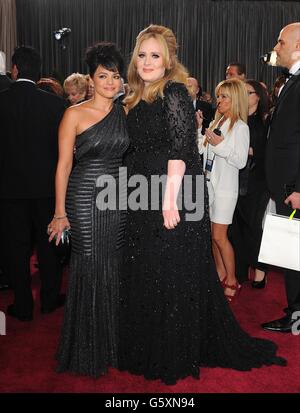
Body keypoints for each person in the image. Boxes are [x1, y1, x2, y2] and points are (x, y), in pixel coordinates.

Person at [119, 24, 285, 386]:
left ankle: (172, 348)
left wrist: (168, 201)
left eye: (155, 55)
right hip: (139, 192)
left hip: (170, 193)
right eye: (142, 54)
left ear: (168, 61)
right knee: (146, 268)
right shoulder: (133, 97)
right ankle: (147, 342)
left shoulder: (174, 93)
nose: (147, 61)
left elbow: (181, 150)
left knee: (170, 271)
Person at [48, 42, 129, 377]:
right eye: (102, 76)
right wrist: (58, 213)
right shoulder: (74, 113)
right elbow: (63, 166)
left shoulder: (125, 112)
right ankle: (87, 345)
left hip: (119, 199)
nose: (110, 82)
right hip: (83, 200)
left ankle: (112, 342)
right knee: (91, 265)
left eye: (114, 76)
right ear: (91, 80)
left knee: (113, 266)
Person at [0, 46, 66, 321]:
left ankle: (23, 305)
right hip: (47, 189)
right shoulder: (55, 105)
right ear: (37, 70)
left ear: (14, 69)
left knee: (16, 249)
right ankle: (50, 299)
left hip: (8, 190)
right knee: (48, 245)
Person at [197, 78, 250, 301]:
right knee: (212, 235)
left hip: (226, 190)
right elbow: (201, 148)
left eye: (224, 96)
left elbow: (240, 161)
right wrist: (199, 129)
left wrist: (220, 145)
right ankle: (219, 273)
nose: (219, 100)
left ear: (235, 99)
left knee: (220, 236)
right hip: (209, 186)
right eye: (219, 96)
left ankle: (231, 279)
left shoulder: (241, 127)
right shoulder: (217, 122)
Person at [263, 23, 300, 333]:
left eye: (281, 41)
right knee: (292, 255)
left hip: (294, 189)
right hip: (285, 186)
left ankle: (297, 317)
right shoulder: (294, 81)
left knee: (296, 255)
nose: (276, 47)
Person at [229, 80, 270, 286]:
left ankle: (261, 273)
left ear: (258, 96)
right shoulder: (237, 119)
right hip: (236, 179)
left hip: (257, 181)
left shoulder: (266, 121)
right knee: (236, 228)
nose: (244, 96)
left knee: (254, 228)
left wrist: (245, 151)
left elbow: (268, 153)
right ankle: (241, 271)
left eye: (248, 92)